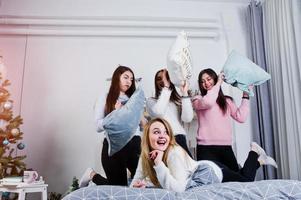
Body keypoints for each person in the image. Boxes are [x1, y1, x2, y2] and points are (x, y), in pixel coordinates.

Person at [130, 118, 278, 193]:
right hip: (200, 170)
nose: (163, 136)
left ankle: (253, 152)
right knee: (239, 177)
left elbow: (179, 190)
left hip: (210, 172)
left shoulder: (173, 153)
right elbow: (135, 183)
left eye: (166, 132)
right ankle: (259, 162)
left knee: (245, 181)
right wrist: (142, 186)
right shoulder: (145, 156)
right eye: (156, 132)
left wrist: (158, 164)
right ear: (147, 138)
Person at [79, 65, 143, 187]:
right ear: (116, 77)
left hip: (134, 145)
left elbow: (142, 127)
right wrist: (115, 115)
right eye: (126, 77)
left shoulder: (133, 100)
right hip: (114, 147)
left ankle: (92, 175)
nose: (129, 81)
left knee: (144, 184)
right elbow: (98, 126)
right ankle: (92, 175)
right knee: (118, 189)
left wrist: (139, 114)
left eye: (131, 79)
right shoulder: (105, 97)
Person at [192, 68, 251, 171]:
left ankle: (255, 158)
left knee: (236, 181)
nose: (206, 83)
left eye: (209, 79)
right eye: (202, 81)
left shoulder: (227, 101)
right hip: (206, 149)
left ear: (214, 79)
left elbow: (241, 117)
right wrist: (218, 83)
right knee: (210, 183)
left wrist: (245, 96)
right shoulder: (198, 100)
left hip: (225, 147)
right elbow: (209, 102)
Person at [146, 69, 193, 157]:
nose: (163, 81)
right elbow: (158, 113)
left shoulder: (176, 100)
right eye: (159, 79)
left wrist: (185, 93)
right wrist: (166, 87)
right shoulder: (151, 101)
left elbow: (187, 118)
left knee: (188, 168)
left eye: (166, 78)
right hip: (163, 139)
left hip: (179, 137)